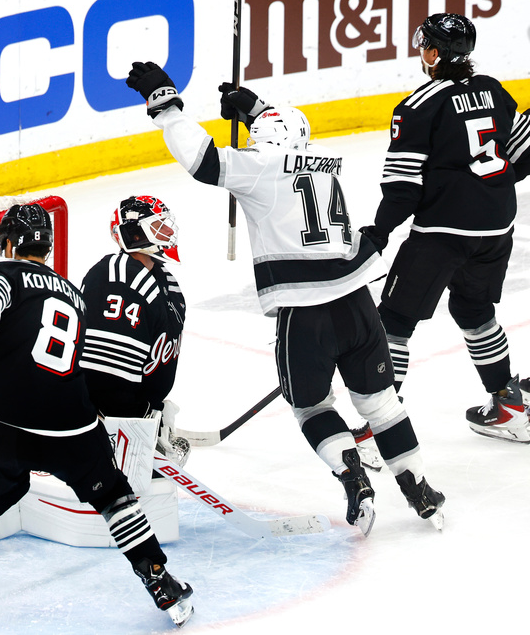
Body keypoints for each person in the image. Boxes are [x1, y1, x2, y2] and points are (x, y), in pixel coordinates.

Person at [126, 61, 445, 535]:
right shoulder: (326, 163)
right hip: (357, 306)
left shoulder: (260, 167)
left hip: (304, 315)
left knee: (313, 409)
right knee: (380, 404)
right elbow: (286, 134)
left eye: (258, 134)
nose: (253, 141)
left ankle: (353, 477)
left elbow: (201, 159)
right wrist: (255, 108)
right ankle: (419, 487)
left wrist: (165, 103)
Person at [0, 203, 193, 627]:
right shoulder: (73, 293)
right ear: (46, 246)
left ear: (7, 243)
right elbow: (54, 364)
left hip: (2, 426)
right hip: (71, 424)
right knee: (114, 498)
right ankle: (159, 581)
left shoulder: (0, 274)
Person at [358, 13, 530, 445]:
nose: (421, 51)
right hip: (496, 227)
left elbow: (402, 189)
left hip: (442, 234)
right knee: (474, 311)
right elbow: (520, 160)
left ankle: (383, 425)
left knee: (394, 321)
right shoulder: (492, 89)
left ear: (434, 53)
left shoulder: (417, 106)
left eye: (424, 45)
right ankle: (508, 405)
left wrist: (377, 234)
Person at [79, 195, 189, 463]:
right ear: (135, 234)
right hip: (113, 424)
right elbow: (103, 375)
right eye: (158, 225)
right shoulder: (117, 278)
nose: (168, 231)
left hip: (140, 412)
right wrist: (131, 422)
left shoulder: (164, 279)